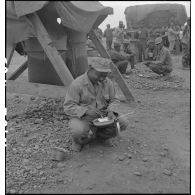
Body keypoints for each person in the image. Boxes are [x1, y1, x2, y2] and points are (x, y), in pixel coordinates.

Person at [64, 57, 128, 152]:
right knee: (78, 131)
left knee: (123, 123)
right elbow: (68, 106)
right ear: (90, 69)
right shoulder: (77, 84)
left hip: (103, 115)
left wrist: (111, 110)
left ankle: (101, 136)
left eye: (105, 75)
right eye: (99, 75)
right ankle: (78, 142)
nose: (102, 78)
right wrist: (85, 111)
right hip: (83, 116)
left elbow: (114, 100)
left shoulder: (108, 82)